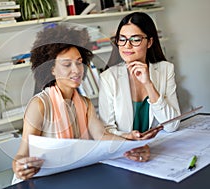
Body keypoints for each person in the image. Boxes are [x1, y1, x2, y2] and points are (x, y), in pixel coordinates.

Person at [12, 23, 162, 183]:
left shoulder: (85, 103)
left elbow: (101, 136)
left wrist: (130, 144)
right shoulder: (39, 105)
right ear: (52, 69)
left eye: (79, 62)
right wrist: (19, 166)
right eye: (67, 64)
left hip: (71, 177)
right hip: (38, 182)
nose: (76, 70)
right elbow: (22, 154)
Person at [99, 12, 181, 140]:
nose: (127, 45)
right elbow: (107, 129)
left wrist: (148, 84)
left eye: (135, 39)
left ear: (149, 42)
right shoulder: (108, 77)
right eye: (122, 39)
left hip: (160, 145)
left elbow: (172, 125)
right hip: (126, 148)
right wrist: (128, 136)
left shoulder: (166, 69)